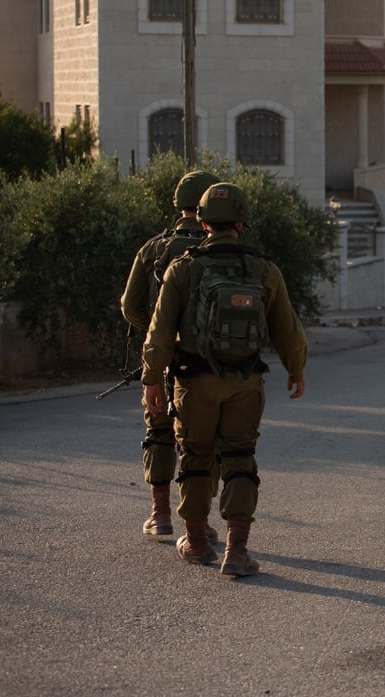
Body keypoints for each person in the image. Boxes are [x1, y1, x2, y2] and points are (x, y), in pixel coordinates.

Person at [142, 182, 308, 577]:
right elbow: (288, 330)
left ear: (201, 221)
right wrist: (296, 371)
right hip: (245, 381)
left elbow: (159, 331)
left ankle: (197, 543)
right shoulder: (264, 269)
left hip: (193, 381)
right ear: (241, 221)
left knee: (196, 457)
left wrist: (151, 378)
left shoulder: (182, 267)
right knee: (239, 457)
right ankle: (236, 552)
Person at [120, 169, 218, 539]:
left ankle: (160, 515)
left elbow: (129, 305)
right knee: (202, 437)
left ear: (179, 203)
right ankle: (202, 522)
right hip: (205, 359)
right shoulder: (221, 249)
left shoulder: (155, 248)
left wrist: (155, 331)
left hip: (161, 356)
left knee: (159, 430)